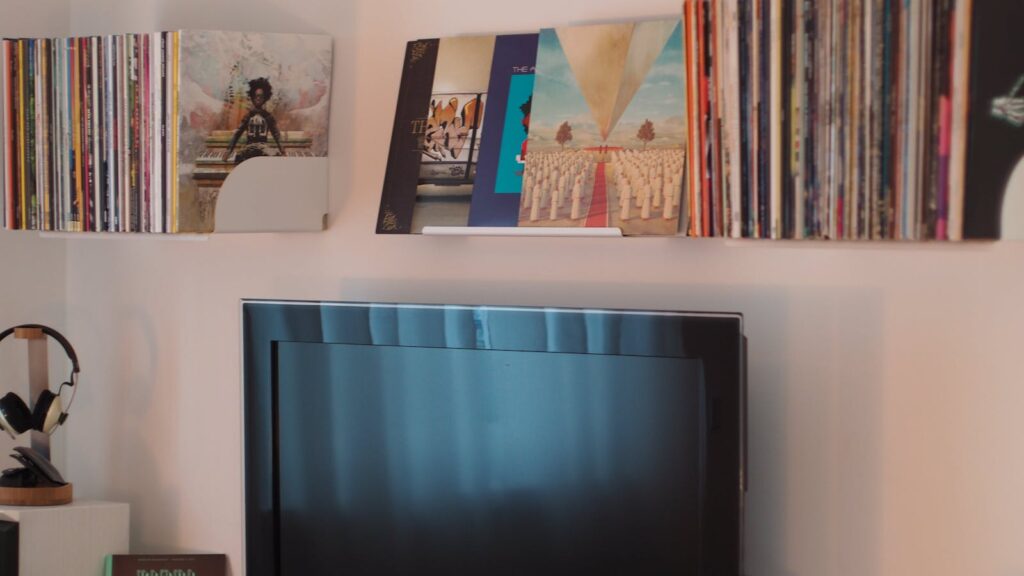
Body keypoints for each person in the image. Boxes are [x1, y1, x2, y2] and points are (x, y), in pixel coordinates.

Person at [224, 77, 286, 164]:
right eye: (256, 96)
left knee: (275, 157)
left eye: (261, 96)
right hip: (249, 147)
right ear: (252, 97)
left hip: (263, 147)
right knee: (239, 157)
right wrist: (229, 150)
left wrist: (282, 150)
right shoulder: (248, 116)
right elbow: (238, 133)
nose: (258, 98)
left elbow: (276, 134)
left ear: (265, 98)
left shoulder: (268, 116)